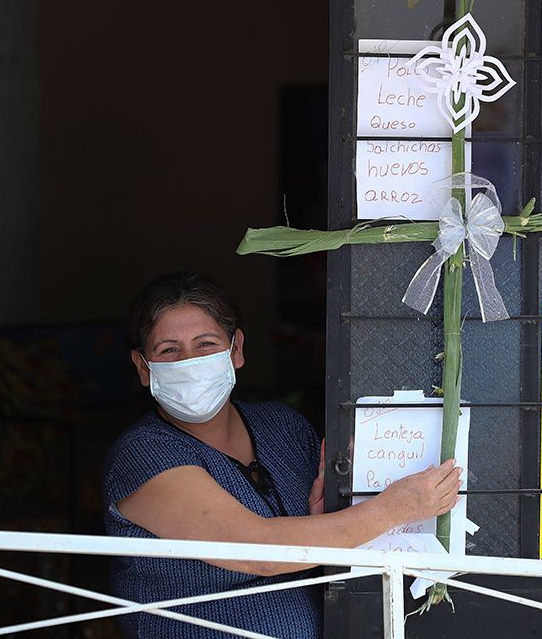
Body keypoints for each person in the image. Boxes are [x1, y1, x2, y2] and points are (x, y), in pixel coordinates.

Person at [103, 273, 462, 638]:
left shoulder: (282, 427)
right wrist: (393, 508)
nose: (189, 361)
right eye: (169, 350)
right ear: (143, 367)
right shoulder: (142, 454)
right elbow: (255, 550)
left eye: (205, 344)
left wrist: (324, 516)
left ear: (236, 349)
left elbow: (321, 536)